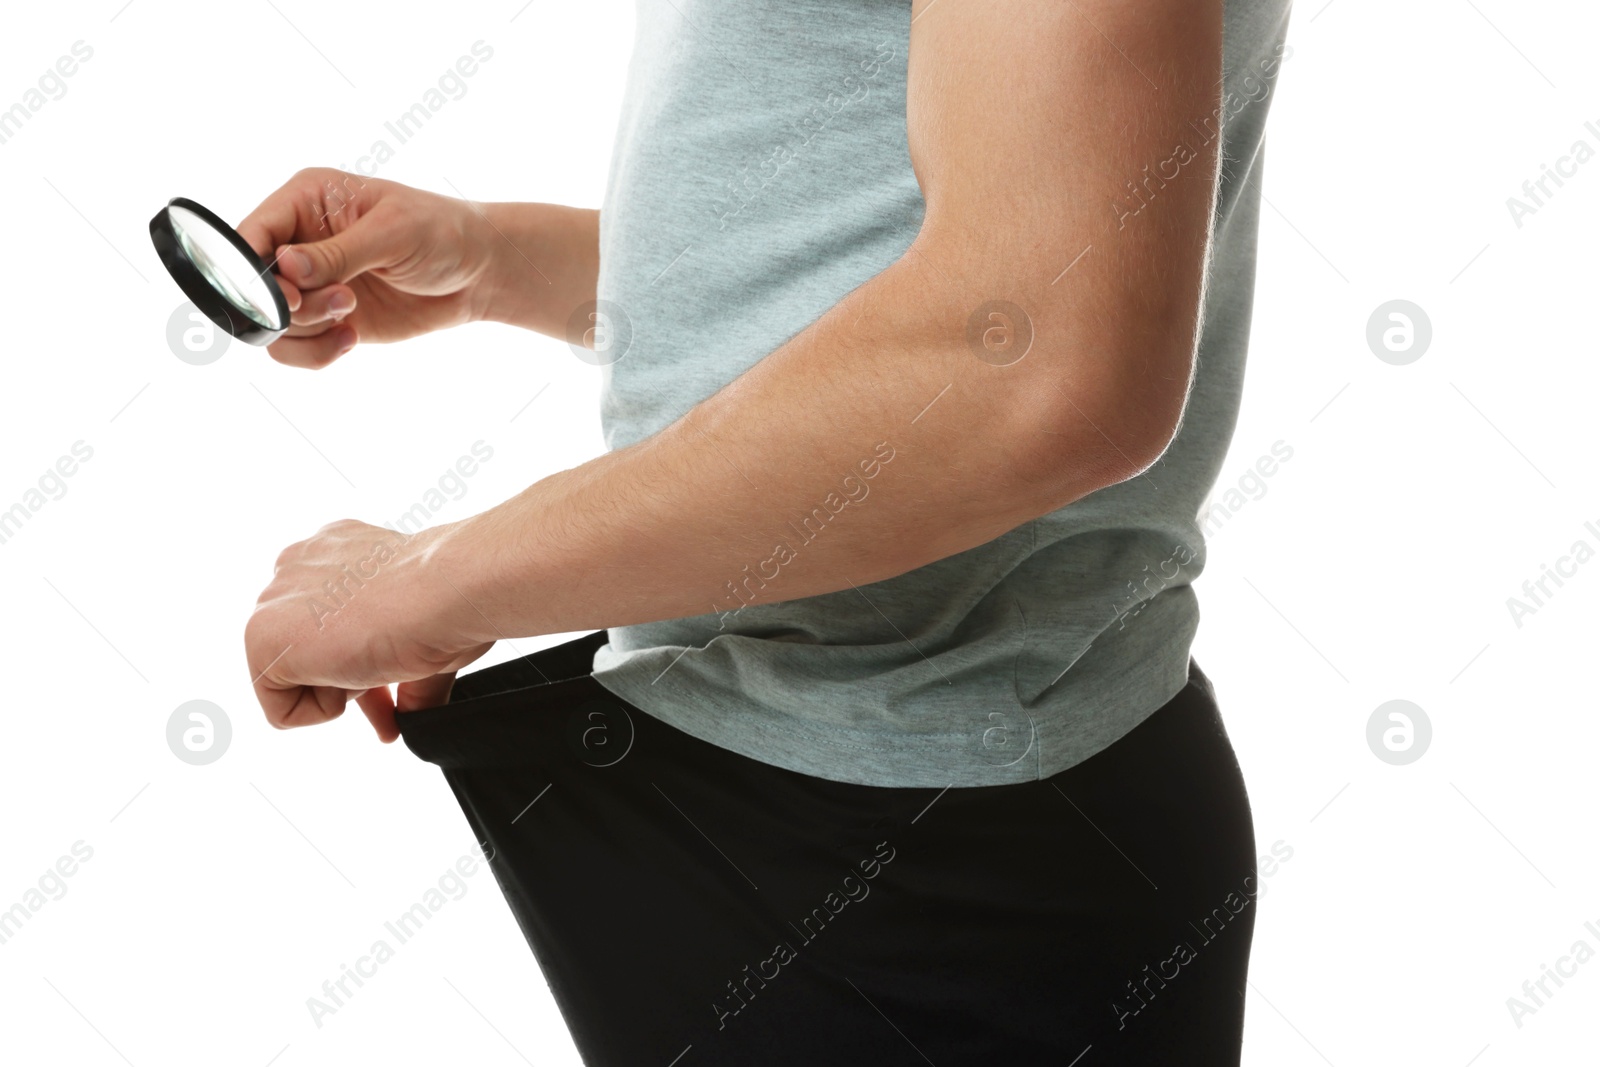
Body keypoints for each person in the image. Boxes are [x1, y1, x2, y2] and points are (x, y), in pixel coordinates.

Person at [243, 0, 1293, 1062]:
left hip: (910, 864)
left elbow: (1032, 365)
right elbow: (899, 247)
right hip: (873, 813)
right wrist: (493, 257)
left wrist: (425, 583)